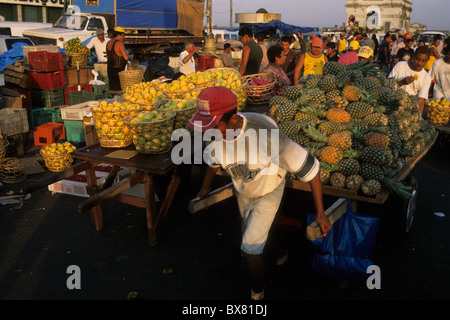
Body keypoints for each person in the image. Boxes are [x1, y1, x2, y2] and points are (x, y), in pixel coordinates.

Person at [188, 86, 332, 300]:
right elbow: (214, 160)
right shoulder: (217, 135)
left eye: (212, 126)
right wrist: (205, 187)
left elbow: (311, 169)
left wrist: (321, 214)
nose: (206, 131)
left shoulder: (265, 133)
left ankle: (257, 293)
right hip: (244, 191)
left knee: (249, 249)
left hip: (269, 190)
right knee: (254, 235)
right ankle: (281, 253)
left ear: (233, 119)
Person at [388, 46, 432, 114]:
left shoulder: (427, 78)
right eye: (418, 59)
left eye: (423, 61)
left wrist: (417, 117)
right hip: (393, 105)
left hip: (409, 110)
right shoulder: (400, 65)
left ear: (427, 60)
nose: (419, 63)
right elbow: (387, 84)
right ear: (413, 56)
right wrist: (402, 82)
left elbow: (420, 100)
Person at [106, 26, 132, 91]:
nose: (123, 37)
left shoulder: (109, 43)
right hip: (118, 70)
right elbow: (126, 57)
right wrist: (130, 58)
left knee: (112, 89)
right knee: (119, 90)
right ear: (119, 35)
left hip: (110, 69)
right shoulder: (119, 43)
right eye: (123, 35)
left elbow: (107, 56)